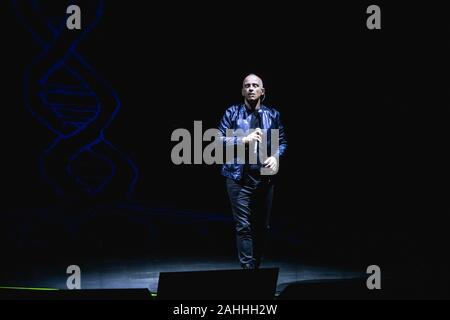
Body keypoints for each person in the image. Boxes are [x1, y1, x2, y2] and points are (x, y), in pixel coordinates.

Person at [217, 74, 287, 269]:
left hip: (264, 179)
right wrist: (242, 140)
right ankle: (248, 271)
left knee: (262, 227)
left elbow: (282, 142)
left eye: (255, 85)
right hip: (238, 178)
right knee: (243, 227)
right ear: (242, 91)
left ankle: (256, 268)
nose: (250, 88)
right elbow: (217, 140)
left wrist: (275, 157)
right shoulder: (232, 113)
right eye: (247, 86)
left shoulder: (273, 115)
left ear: (262, 91)